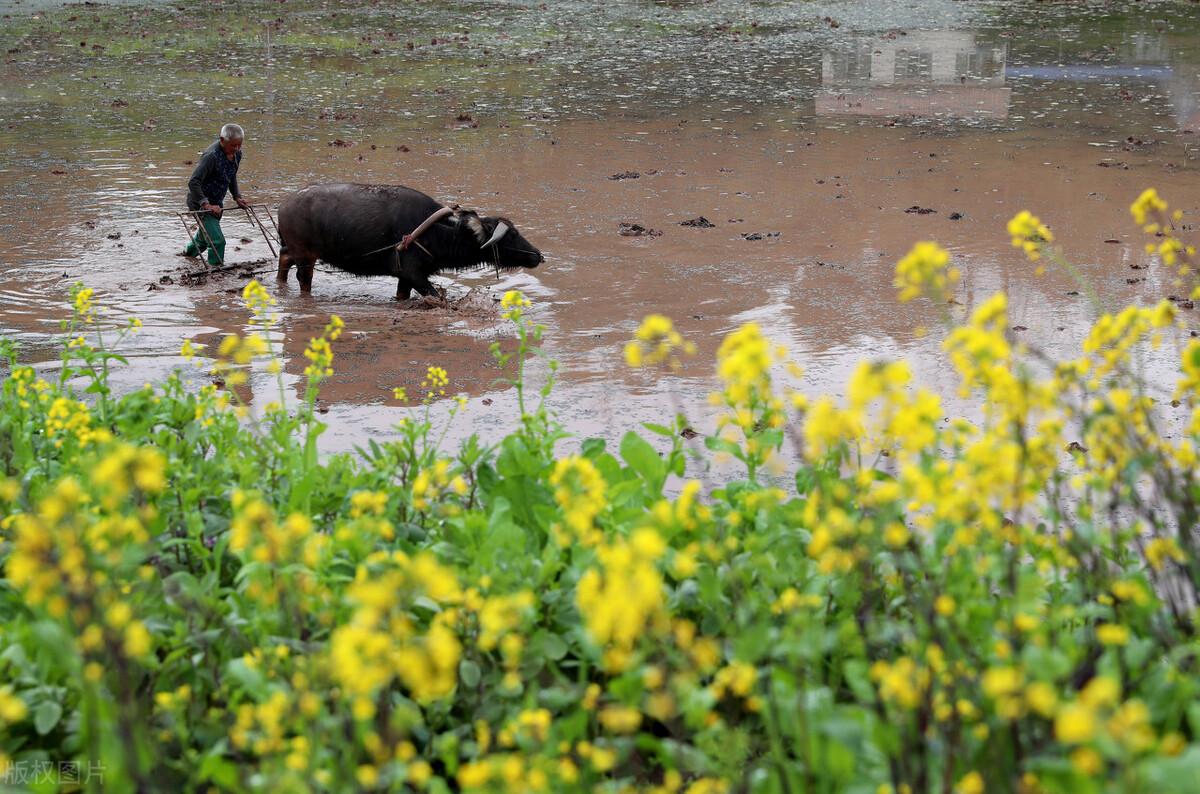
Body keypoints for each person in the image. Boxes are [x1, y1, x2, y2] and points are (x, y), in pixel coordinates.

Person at [181, 123, 250, 265]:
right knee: (217, 241)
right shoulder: (211, 157)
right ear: (222, 140)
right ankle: (215, 271)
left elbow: (231, 176)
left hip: (217, 202)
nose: (236, 149)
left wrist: (237, 196)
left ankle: (187, 254)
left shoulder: (237, 154)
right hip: (200, 202)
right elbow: (193, 182)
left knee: (203, 238)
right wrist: (206, 204)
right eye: (233, 145)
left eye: (239, 145)